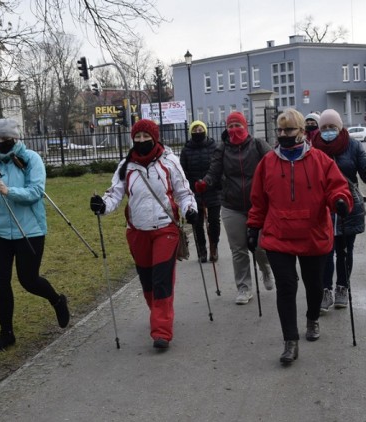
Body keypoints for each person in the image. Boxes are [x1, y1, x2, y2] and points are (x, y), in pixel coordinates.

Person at [246, 108, 353, 365]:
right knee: (286, 287)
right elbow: (259, 201)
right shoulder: (268, 164)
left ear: (302, 133)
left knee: (314, 286)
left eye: (289, 130)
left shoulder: (321, 161)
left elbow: (337, 187)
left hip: (313, 233)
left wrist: (340, 201)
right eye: (280, 130)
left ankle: (312, 317)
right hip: (278, 235)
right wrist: (253, 227)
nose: (283, 135)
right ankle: (290, 342)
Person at [89, 119, 198, 350]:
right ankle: (159, 313)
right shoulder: (126, 166)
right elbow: (115, 194)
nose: (141, 141)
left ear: (155, 137)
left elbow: (184, 192)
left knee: (161, 280)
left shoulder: (170, 162)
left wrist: (191, 209)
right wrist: (102, 205)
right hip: (137, 231)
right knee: (147, 281)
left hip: (165, 229)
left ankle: (161, 331)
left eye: (145, 137)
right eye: (137, 137)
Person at [0, 118, 70, 355]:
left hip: (30, 230)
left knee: (28, 280)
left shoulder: (31, 159)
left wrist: (8, 190)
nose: (3, 143)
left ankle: (57, 301)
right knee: (1, 282)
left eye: (8, 139)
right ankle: (6, 333)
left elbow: (36, 192)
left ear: (17, 139)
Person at [194, 111, 274, 305]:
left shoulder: (258, 145)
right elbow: (214, 172)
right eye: (230, 126)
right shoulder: (222, 150)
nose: (234, 129)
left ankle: (265, 269)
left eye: (237, 125)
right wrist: (205, 183)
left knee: (261, 247)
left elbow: (274, 165)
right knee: (238, 249)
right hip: (231, 205)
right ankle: (244, 288)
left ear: (245, 126)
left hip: (258, 205)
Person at [310, 109, 366, 312]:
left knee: (345, 251)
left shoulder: (353, 146)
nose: (328, 131)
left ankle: (342, 287)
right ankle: (325, 290)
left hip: (347, 207)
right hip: (324, 209)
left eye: (332, 127)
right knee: (325, 252)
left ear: (340, 128)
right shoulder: (313, 149)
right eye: (324, 128)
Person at [180, 120, 222, 263]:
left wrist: (213, 183)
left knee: (214, 221)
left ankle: (214, 247)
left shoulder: (214, 147)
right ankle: (201, 250)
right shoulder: (186, 150)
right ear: (191, 132)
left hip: (212, 190)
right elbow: (182, 172)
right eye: (195, 130)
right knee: (197, 223)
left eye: (200, 129)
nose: (198, 132)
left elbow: (218, 168)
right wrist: (191, 186)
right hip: (194, 191)